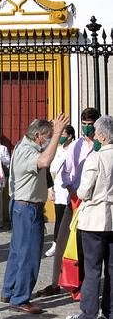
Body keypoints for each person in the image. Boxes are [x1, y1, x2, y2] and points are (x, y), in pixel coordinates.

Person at [0, 114, 69, 314]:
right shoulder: (27, 151)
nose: (48, 140)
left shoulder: (26, 147)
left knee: (17, 252)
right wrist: (56, 133)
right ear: (38, 136)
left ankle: (10, 290)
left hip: (23, 207)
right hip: (27, 208)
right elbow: (45, 161)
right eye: (46, 136)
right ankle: (20, 298)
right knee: (28, 255)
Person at [38, 107, 99, 297]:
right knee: (62, 241)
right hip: (73, 201)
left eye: (90, 124)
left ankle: (85, 285)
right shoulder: (76, 146)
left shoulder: (102, 145)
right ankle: (55, 283)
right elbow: (65, 172)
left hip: (95, 202)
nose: (87, 128)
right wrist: (72, 190)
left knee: (89, 247)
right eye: (84, 124)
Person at [66, 116, 113, 319]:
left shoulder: (96, 158)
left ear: (102, 136)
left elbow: (84, 191)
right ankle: (110, 311)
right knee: (111, 267)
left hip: (95, 218)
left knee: (92, 268)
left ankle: (88, 314)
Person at [46, 124, 76, 257]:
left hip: (71, 189)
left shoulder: (74, 148)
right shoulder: (58, 149)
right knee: (59, 218)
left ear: (69, 136)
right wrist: (50, 188)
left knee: (70, 219)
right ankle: (56, 244)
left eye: (63, 135)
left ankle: (69, 246)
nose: (61, 137)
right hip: (58, 187)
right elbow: (51, 168)